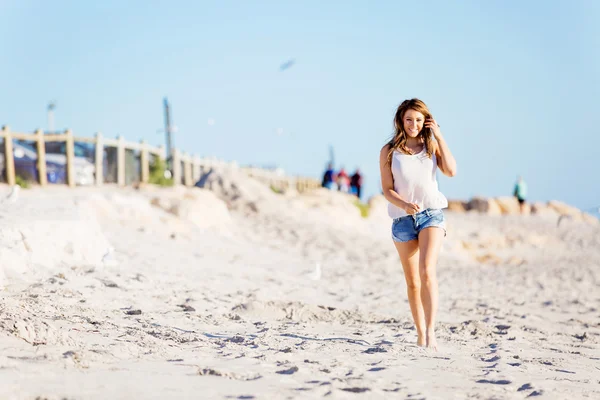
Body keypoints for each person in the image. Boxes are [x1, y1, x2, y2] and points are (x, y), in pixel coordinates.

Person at [379, 98, 457, 350]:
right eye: (409, 119)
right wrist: (403, 204)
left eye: (419, 120)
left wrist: (439, 136)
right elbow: (387, 190)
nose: (413, 124)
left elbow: (451, 171)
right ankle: (420, 332)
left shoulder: (431, 146)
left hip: (431, 215)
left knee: (427, 271)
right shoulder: (389, 150)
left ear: (426, 122)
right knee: (413, 281)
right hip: (402, 220)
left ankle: (432, 332)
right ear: (401, 120)